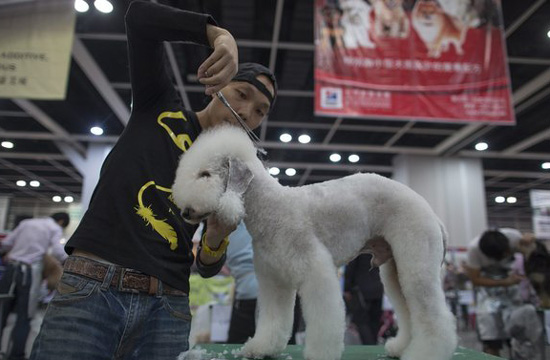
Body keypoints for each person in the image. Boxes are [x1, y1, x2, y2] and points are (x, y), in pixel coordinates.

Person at [29, 1, 277, 359]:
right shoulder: (160, 106)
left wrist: (217, 237)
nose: (247, 113)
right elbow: (139, 17)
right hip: (93, 287)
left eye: (260, 112)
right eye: (242, 95)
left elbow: (206, 268)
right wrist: (219, 35)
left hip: (169, 306)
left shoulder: (230, 172)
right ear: (216, 86)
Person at [465, 228, 543, 359]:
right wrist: (504, 282)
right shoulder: (474, 251)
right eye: (504, 254)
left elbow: (532, 258)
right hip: (488, 294)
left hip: (513, 291)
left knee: (524, 334)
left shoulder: (514, 237)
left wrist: (532, 243)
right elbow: (475, 279)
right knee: (491, 336)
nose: (508, 254)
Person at [0, 212, 69, 360]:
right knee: (24, 317)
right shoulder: (54, 228)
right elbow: (58, 251)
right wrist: (72, 261)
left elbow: (7, 243)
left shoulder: (27, 223)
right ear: (61, 222)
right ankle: (16, 355)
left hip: (11, 270)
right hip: (30, 273)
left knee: (2, 313)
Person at [343, 253, 384, 345]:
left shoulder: (358, 248)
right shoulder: (377, 245)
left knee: (362, 322)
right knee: (374, 321)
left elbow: (350, 267)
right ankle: (374, 345)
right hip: (378, 287)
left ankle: (370, 346)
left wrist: (347, 288)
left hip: (361, 290)